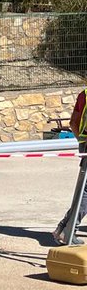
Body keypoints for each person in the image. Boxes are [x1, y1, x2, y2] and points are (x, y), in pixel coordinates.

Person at [53, 87, 87, 245]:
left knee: (84, 190)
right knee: (86, 193)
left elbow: (73, 122)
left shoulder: (84, 94)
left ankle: (64, 228)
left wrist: (82, 141)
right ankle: (67, 230)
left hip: (84, 144)